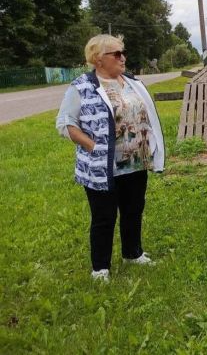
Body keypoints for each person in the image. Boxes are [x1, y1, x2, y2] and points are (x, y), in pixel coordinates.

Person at [56, 34, 165, 282]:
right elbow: (66, 124)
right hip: (101, 167)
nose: (123, 57)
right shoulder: (81, 87)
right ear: (98, 59)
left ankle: (132, 253)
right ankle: (100, 268)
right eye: (116, 54)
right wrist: (93, 146)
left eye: (122, 52)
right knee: (104, 217)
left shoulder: (132, 82)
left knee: (133, 209)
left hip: (135, 162)